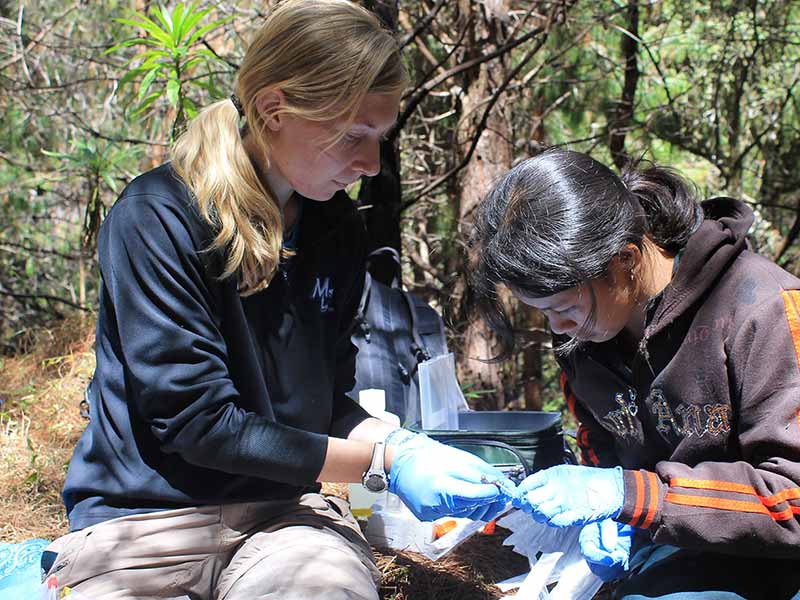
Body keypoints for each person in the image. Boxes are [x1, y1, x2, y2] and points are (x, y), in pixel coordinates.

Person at [44, 2, 514, 599]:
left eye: (380, 138)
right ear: (274, 108)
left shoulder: (334, 228)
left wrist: (399, 441)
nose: (370, 164)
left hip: (284, 521)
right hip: (142, 523)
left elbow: (324, 406)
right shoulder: (159, 219)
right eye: (353, 135)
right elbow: (200, 423)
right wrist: (385, 465)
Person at [469, 148, 800, 599]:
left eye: (562, 307)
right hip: (669, 554)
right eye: (541, 312)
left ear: (625, 259)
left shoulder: (766, 309)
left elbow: (794, 501)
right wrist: (610, 511)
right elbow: (601, 447)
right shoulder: (584, 341)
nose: (556, 328)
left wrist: (630, 495)